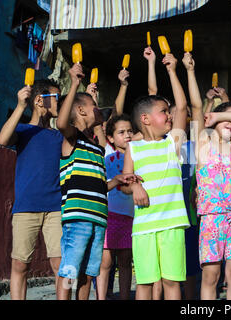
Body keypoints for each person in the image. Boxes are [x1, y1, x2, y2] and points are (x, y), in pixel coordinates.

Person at [56, 63, 139, 300]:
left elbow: (100, 188)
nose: (99, 111)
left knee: (88, 273)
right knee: (71, 269)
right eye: (94, 107)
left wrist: (117, 179)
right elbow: (62, 123)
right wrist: (74, 84)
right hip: (79, 218)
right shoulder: (72, 140)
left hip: (98, 219)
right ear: (81, 111)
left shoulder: (96, 148)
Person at [183, 52, 231, 300]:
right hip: (212, 219)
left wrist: (222, 115)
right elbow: (195, 106)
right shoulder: (203, 144)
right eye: (226, 120)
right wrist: (190, 71)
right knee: (210, 276)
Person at [121, 53, 190, 300]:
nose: (169, 115)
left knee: (171, 282)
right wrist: (135, 187)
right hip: (144, 228)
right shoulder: (133, 147)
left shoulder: (172, 142)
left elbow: (182, 107)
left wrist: (173, 71)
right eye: (163, 111)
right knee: (146, 285)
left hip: (172, 225)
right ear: (145, 119)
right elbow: (125, 182)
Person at [0, 80, 62, 300]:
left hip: (56, 208)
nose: (59, 102)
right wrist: (19, 106)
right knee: (20, 264)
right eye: (56, 97)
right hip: (26, 207)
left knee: (60, 264)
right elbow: (2, 139)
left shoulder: (60, 135)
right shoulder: (24, 130)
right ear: (39, 101)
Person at [96, 114, 135, 300]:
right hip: (109, 216)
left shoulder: (137, 155)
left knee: (126, 262)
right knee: (105, 263)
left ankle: (125, 297)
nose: (127, 135)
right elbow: (98, 127)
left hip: (130, 217)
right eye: (121, 132)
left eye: (130, 131)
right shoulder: (107, 153)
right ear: (110, 138)